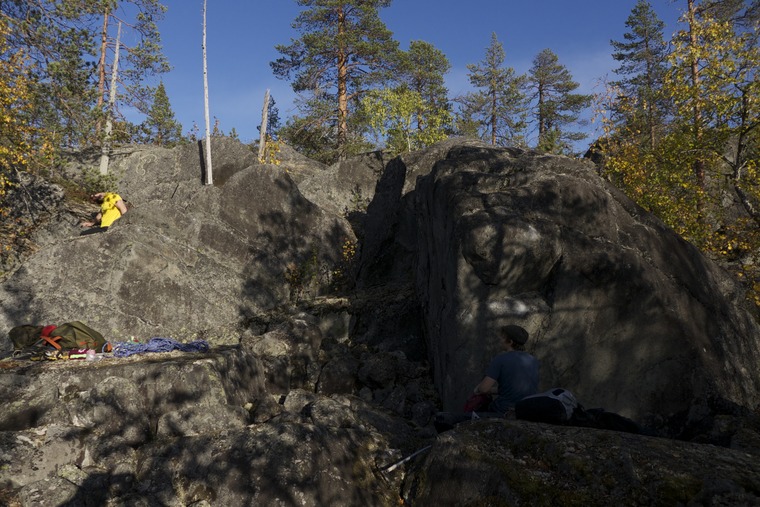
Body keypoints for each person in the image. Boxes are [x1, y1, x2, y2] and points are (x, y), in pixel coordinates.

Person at [473, 324, 539, 415]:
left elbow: (484, 389)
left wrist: (479, 388)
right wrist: (492, 390)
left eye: (503, 337)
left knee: (465, 414)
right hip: (526, 409)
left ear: (510, 342)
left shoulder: (500, 359)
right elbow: (515, 390)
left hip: (504, 409)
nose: (500, 340)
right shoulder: (533, 360)